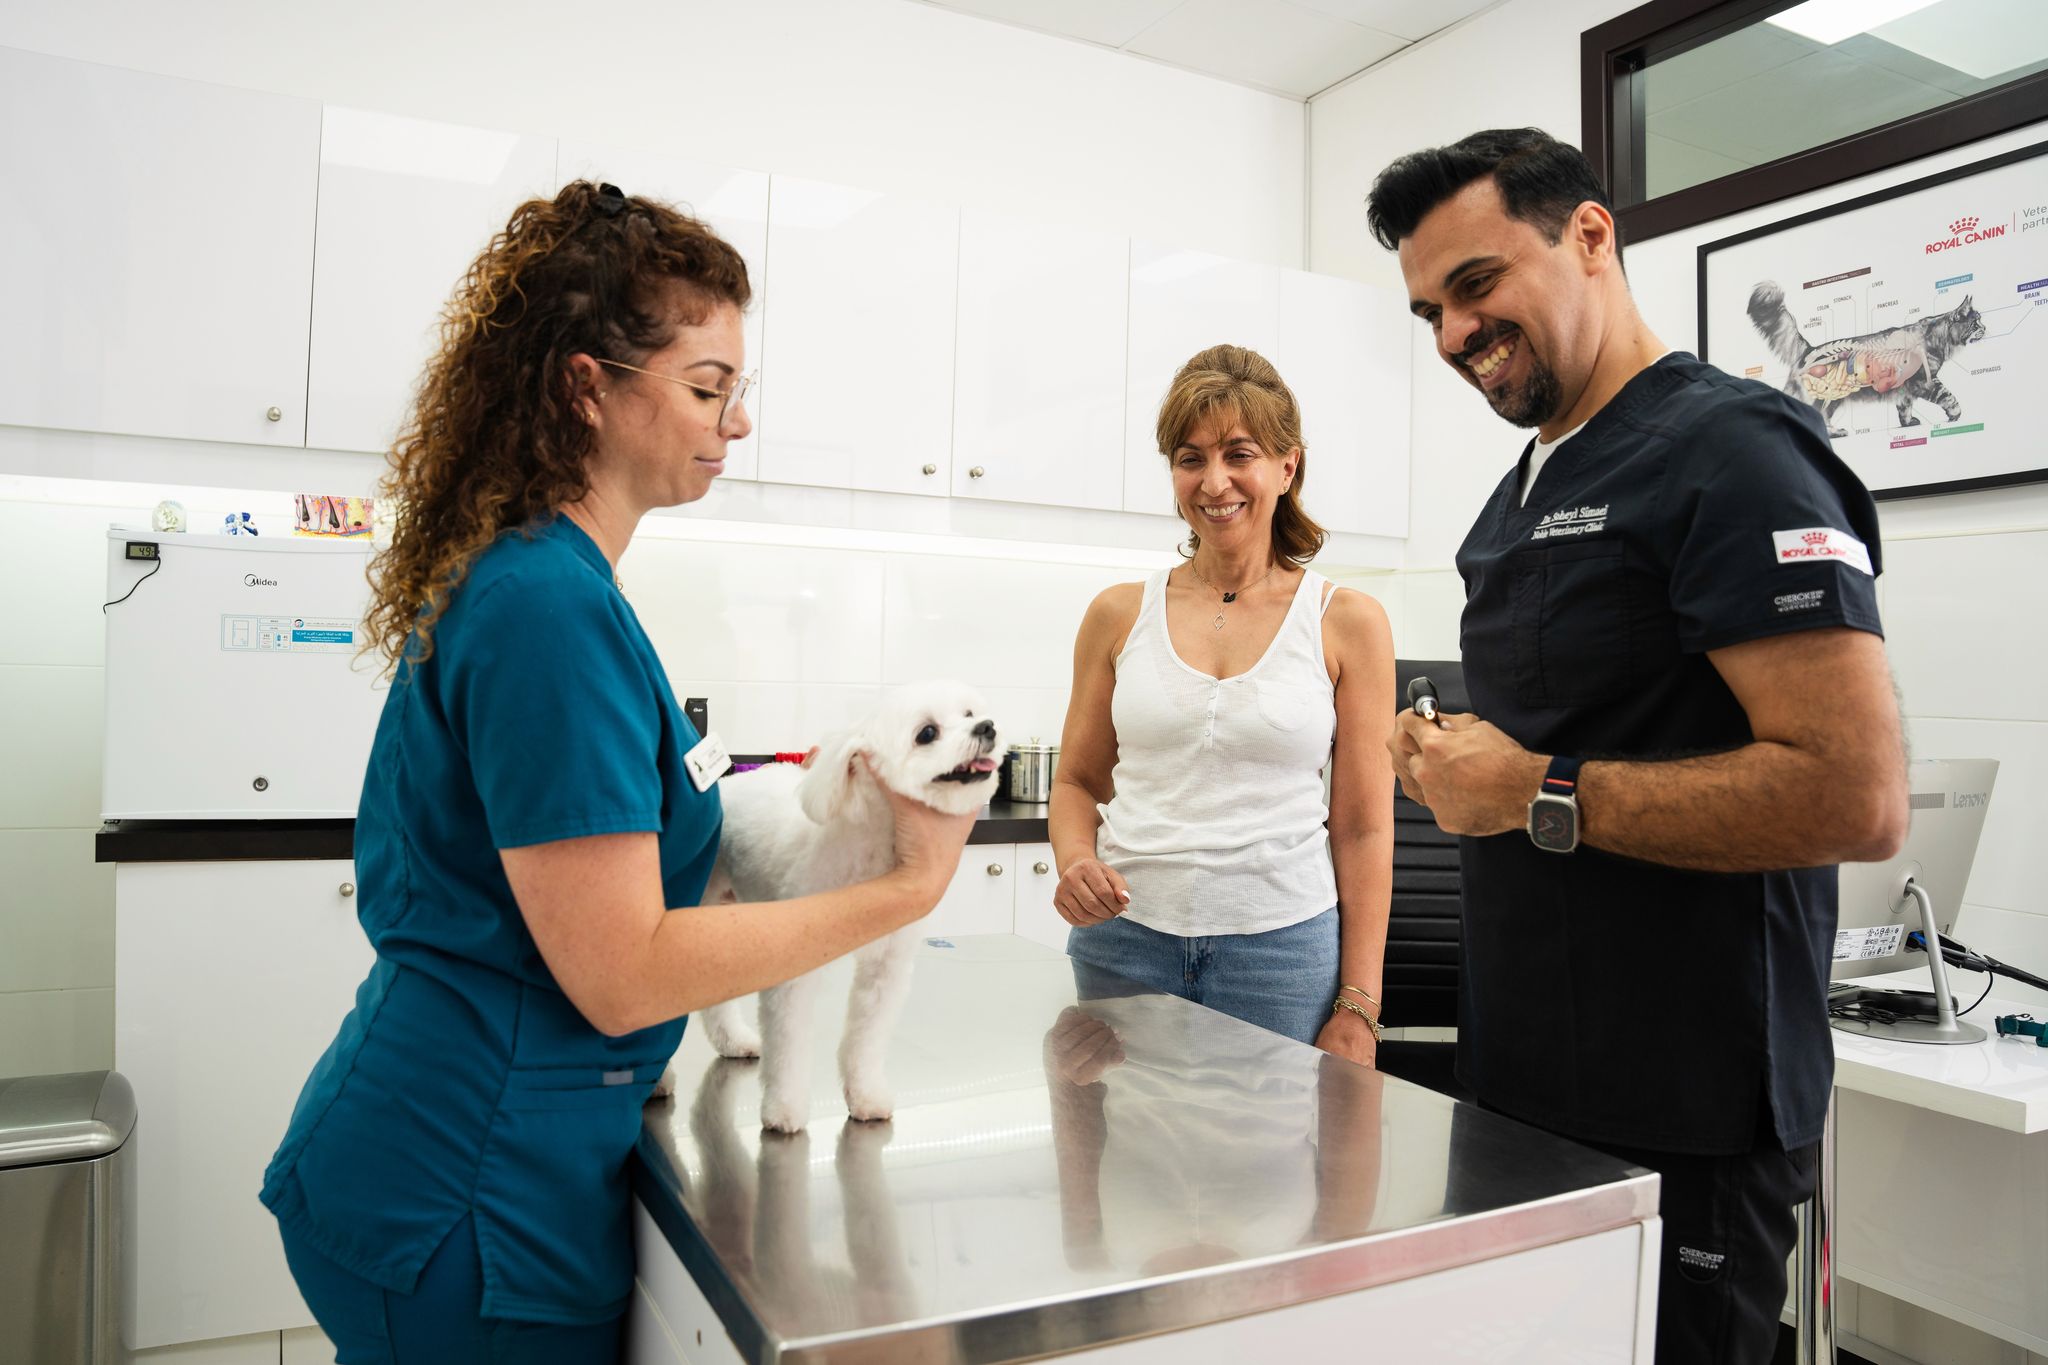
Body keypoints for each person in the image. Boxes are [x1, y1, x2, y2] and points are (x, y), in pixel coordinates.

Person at [260, 181, 975, 1363]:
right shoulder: (546, 605)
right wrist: (901, 891)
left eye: (738, 393)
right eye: (706, 389)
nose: (733, 423)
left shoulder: (555, 579)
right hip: (469, 1187)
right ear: (583, 384)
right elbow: (623, 970)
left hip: (473, 1144)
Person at [1366, 129, 1908, 1365]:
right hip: (1522, 1075)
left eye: (1477, 285)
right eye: (1427, 311)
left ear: (1591, 237)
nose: (1453, 334)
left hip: (1686, 1100)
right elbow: (1572, 733)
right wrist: (1448, 758)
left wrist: (1533, 790)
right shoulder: (1519, 489)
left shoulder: (1732, 453)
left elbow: (1853, 795)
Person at [1048, 344, 1395, 1062]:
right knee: (1126, 1161)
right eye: (1189, 457)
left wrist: (1361, 1004)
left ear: (1287, 465)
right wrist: (1076, 856)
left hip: (1282, 954)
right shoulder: (1117, 614)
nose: (1215, 482)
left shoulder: (1347, 621)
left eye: (1240, 453)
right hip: (1122, 944)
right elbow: (1078, 781)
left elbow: (1363, 827)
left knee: (1269, 1171)